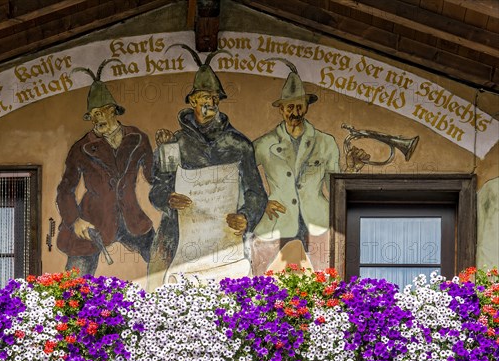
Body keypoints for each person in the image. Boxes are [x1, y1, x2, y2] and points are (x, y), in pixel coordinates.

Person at [147, 47, 267, 289]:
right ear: (192, 101)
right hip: (178, 237)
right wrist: (169, 199)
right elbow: (157, 190)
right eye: (205, 98)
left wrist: (246, 217)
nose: (211, 103)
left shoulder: (239, 144)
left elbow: (256, 192)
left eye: (215, 98)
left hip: (226, 242)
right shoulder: (175, 143)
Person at [251, 60, 368, 276]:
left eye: (299, 106)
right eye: (289, 107)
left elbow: (334, 187)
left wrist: (351, 171)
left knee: (325, 278)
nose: (295, 112)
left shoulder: (325, 142)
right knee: (263, 279)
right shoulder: (264, 144)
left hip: (316, 220)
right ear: (281, 110)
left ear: (306, 106)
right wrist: (260, 203)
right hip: (277, 220)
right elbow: (244, 178)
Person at [56, 59, 155, 276]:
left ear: (112, 111)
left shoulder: (137, 139)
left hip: (131, 216)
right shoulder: (82, 147)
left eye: (100, 112)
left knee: (160, 256)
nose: (96, 119)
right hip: (93, 217)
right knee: (75, 282)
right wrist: (75, 220)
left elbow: (152, 175)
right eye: (92, 115)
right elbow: (65, 189)